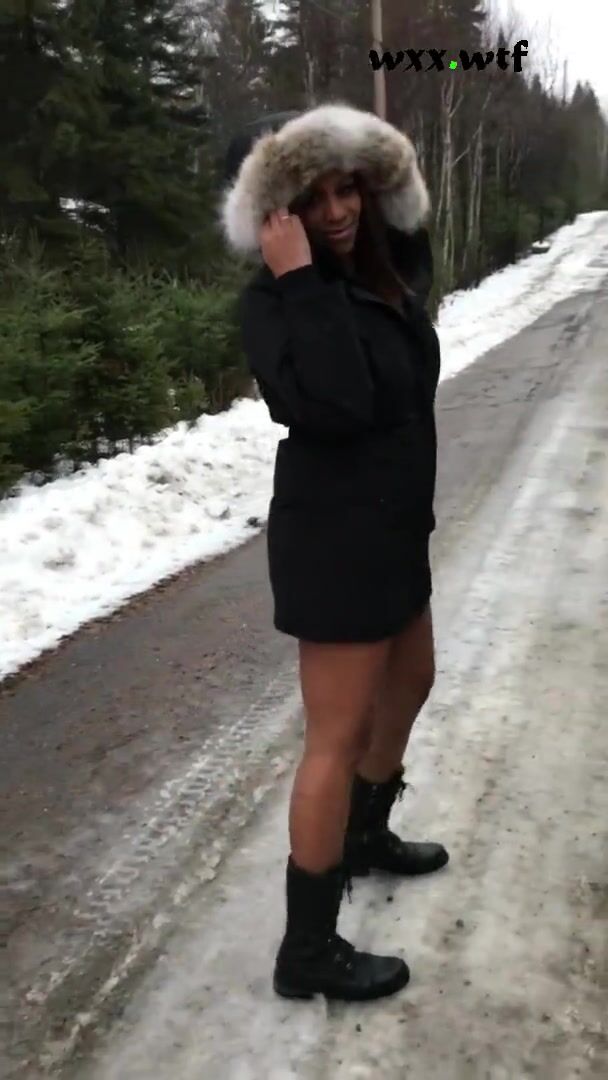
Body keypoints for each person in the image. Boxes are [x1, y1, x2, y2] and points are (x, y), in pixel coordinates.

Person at [220, 102, 449, 1003]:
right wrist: (300, 277)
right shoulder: (275, 304)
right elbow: (339, 401)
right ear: (278, 216)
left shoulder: (375, 276)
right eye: (311, 199)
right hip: (337, 544)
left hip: (393, 529)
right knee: (335, 737)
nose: (339, 210)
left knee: (413, 679)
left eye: (347, 187)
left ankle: (362, 834)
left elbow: (410, 285)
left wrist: (391, 189)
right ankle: (307, 950)